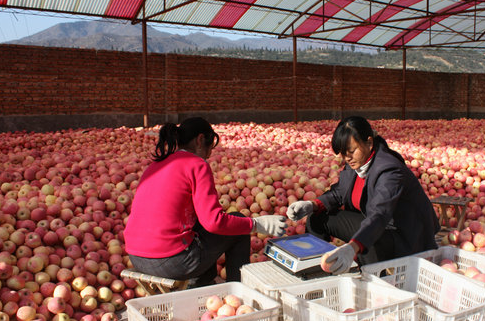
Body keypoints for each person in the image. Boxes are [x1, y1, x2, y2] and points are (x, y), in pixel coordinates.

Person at [123, 117, 286, 287]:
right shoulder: (196, 164)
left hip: (136, 257)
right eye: (210, 148)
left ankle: (202, 285)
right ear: (200, 140)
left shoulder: (157, 164)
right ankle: (237, 292)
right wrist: (255, 224)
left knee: (203, 229)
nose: (209, 155)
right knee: (238, 227)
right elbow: (214, 222)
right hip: (171, 261)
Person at [287, 116, 439, 274]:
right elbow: (341, 191)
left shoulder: (389, 170)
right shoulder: (357, 164)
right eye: (343, 153)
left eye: (352, 151)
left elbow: (380, 215)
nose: (347, 158)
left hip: (403, 237)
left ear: (369, 142)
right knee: (317, 217)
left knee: (368, 240)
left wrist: (352, 247)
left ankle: (374, 280)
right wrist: (313, 204)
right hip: (377, 225)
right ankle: (315, 270)